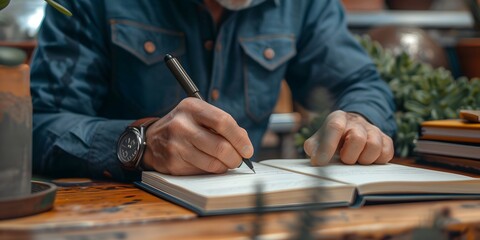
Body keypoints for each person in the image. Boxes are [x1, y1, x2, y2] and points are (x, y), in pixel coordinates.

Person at [31, 0, 396, 181]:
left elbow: (359, 83)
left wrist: (358, 119)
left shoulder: (303, 5)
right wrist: (141, 144)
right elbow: (37, 127)